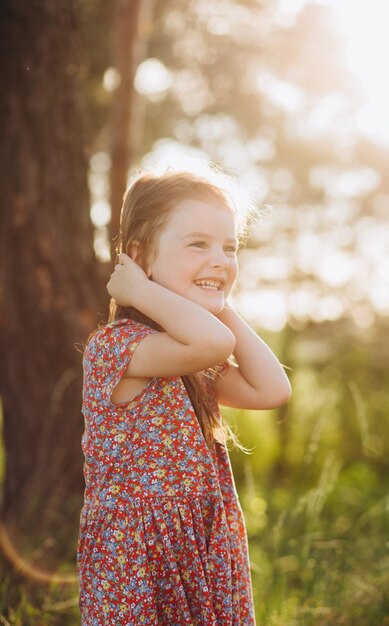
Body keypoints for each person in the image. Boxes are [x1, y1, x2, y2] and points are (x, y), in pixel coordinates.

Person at [77, 168, 291, 625]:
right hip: (140, 555)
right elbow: (213, 344)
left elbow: (273, 389)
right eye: (199, 244)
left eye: (229, 248)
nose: (221, 259)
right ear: (138, 256)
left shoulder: (193, 359)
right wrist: (141, 290)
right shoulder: (119, 346)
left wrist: (218, 298)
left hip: (199, 544)